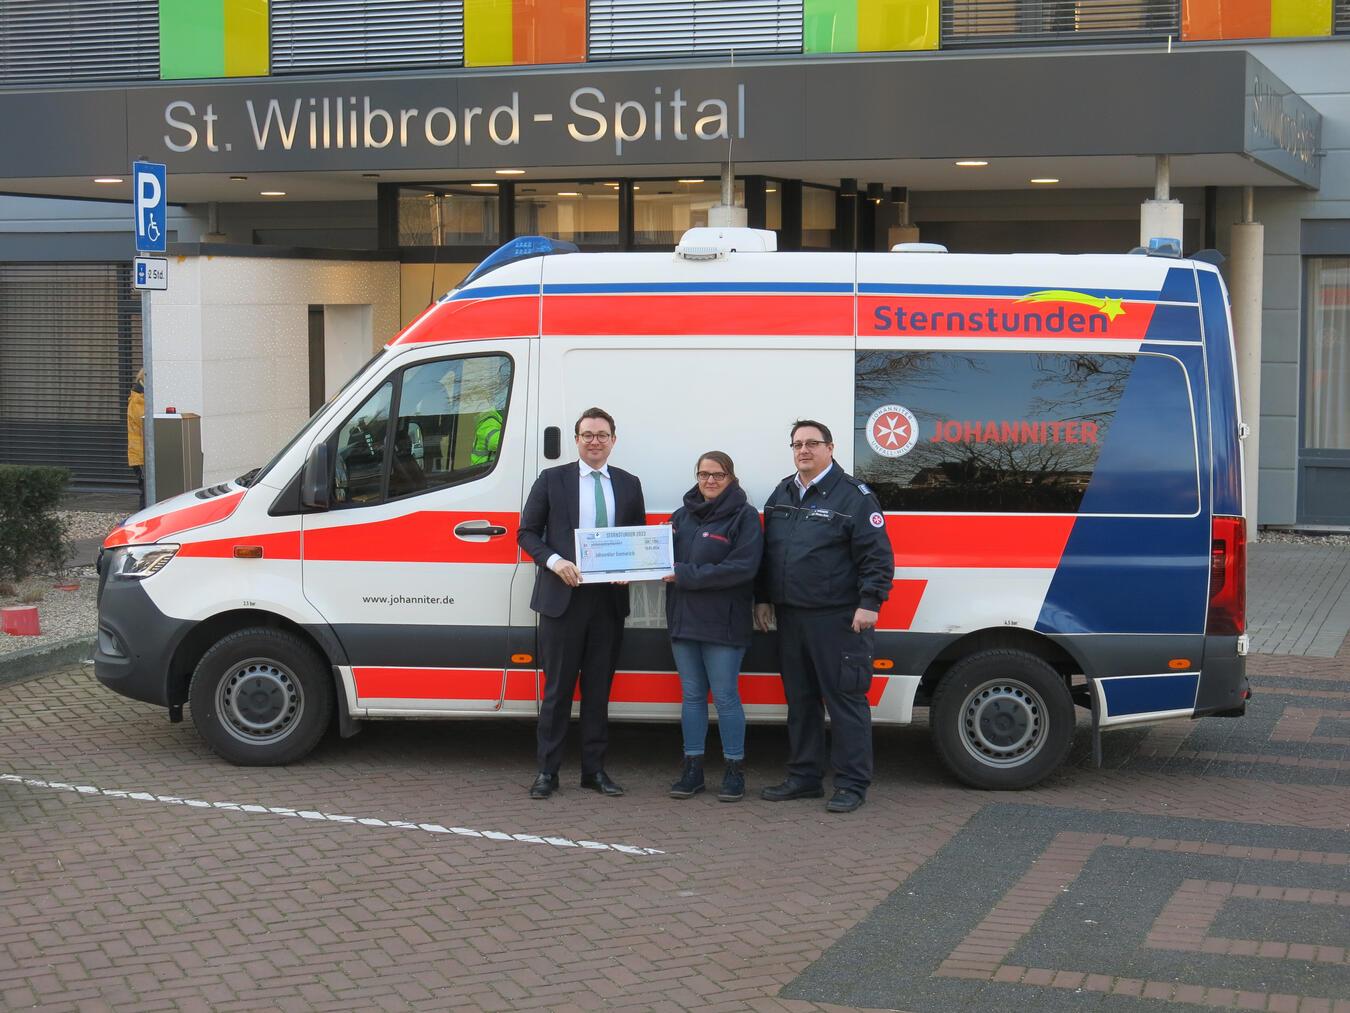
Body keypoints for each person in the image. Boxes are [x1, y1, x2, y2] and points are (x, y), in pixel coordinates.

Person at [754, 420, 893, 814]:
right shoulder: (782, 492)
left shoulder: (854, 497)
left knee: (845, 700)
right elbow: (768, 554)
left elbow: (877, 557)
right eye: (797, 444)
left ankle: (851, 783)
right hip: (791, 617)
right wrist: (763, 599)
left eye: (812, 443)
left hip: (839, 619)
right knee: (800, 702)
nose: (803, 450)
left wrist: (870, 603)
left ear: (830, 448)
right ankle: (804, 777)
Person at [518, 407, 646, 800]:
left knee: (597, 692)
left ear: (613, 440)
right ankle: (547, 772)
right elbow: (527, 533)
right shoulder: (552, 480)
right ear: (576, 440)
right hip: (563, 600)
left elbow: (636, 538)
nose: (595, 440)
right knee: (557, 691)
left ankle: (594, 771)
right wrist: (556, 563)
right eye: (587, 434)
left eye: (602, 434)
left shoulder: (628, 483)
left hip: (607, 602)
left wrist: (631, 567)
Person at [662, 451, 764, 802]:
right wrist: (632, 568)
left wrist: (686, 574)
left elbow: (742, 568)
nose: (710, 481)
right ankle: (693, 769)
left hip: (724, 623)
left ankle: (734, 770)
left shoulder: (745, 517)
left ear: (731, 478)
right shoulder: (681, 516)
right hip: (684, 619)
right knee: (691, 697)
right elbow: (657, 559)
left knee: (724, 697)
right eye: (704, 474)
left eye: (718, 475)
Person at [126, 368, 146, 510]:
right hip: (141, 457)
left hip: (142, 455)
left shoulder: (140, 398)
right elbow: (144, 424)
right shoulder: (138, 400)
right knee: (147, 493)